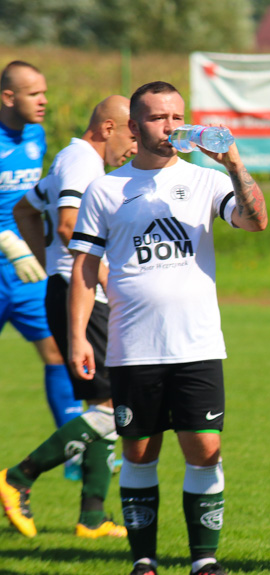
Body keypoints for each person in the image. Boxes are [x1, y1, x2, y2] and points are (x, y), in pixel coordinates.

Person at [67, 81, 267, 575]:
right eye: (158, 118)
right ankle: (144, 560)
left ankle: (204, 560)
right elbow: (84, 268)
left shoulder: (206, 181)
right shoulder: (106, 188)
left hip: (197, 343)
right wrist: (75, 337)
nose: (170, 127)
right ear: (134, 128)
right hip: (133, 346)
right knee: (139, 450)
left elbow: (255, 220)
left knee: (205, 449)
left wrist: (235, 166)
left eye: (177, 117)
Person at [0, 95, 137, 540]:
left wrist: (47, 265)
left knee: (109, 401)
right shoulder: (81, 161)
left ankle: (92, 517)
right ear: (109, 127)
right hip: (83, 292)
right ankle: (18, 477)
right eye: (132, 136)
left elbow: (25, 208)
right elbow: (66, 225)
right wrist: (99, 278)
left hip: (71, 287)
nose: (134, 148)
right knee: (115, 407)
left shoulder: (73, 158)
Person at [0, 60, 83, 433]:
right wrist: (6, 241)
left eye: (45, 92)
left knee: (56, 352)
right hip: (10, 255)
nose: (44, 101)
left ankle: (73, 453)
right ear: (8, 97)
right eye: (34, 94)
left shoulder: (36, 136)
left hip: (27, 268)